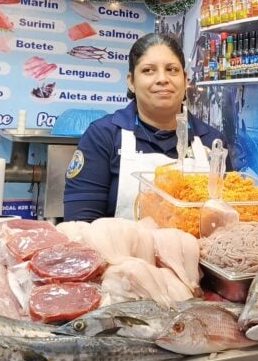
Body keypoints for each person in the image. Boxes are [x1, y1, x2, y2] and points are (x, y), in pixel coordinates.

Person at [63, 32, 228, 222]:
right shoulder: (103, 136)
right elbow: (80, 225)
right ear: (131, 82)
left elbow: (225, 220)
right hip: (120, 251)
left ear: (185, 80)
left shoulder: (212, 141)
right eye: (148, 70)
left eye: (172, 69)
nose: (162, 79)